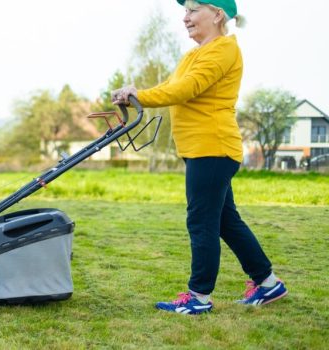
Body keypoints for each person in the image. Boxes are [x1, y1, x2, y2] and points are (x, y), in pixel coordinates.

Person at [111, 0, 287, 315]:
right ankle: (268, 282)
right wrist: (136, 91)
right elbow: (172, 85)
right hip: (203, 149)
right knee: (225, 221)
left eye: (193, 10)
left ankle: (199, 296)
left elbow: (186, 89)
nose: (185, 17)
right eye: (186, 11)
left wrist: (139, 97)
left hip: (212, 148)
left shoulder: (223, 50)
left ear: (218, 14)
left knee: (201, 221)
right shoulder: (195, 53)